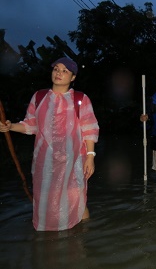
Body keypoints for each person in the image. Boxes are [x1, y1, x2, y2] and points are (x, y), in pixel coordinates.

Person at [0, 57, 99, 231]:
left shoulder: (80, 99)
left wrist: (90, 157)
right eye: (56, 69)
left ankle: (83, 237)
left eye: (64, 71)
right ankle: (49, 243)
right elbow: (31, 125)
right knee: (46, 202)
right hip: (45, 162)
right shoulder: (39, 97)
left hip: (74, 160)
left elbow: (89, 128)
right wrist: (10, 126)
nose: (59, 73)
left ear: (73, 77)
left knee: (77, 200)